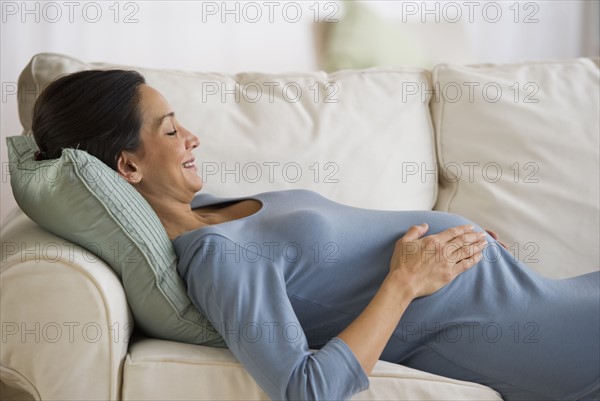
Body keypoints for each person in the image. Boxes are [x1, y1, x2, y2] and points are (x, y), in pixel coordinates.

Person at [32, 69, 599, 401]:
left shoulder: (209, 210)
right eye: (172, 130)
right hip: (539, 340)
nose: (193, 139)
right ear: (127, 167)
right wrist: (407, 281)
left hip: (537, 295)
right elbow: (307, 389)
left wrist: (459, 248)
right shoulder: (216, 259)